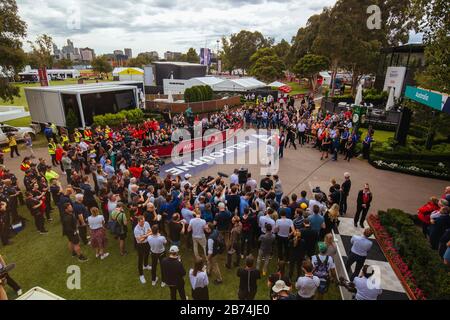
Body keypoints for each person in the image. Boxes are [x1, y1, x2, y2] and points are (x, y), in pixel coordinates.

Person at [134, 216, 152, 284]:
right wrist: (147, 235)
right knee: (140, 259)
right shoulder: (136, 229)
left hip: (147, 243)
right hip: (140, 245)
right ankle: (141, 275)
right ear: (138, 222)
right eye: (142, 222)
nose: (143, 223)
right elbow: (140, 240)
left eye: (144, 221)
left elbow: (151, 231)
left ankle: (146, 265)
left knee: (147, 254)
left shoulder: (146, 223)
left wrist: (144, 236)